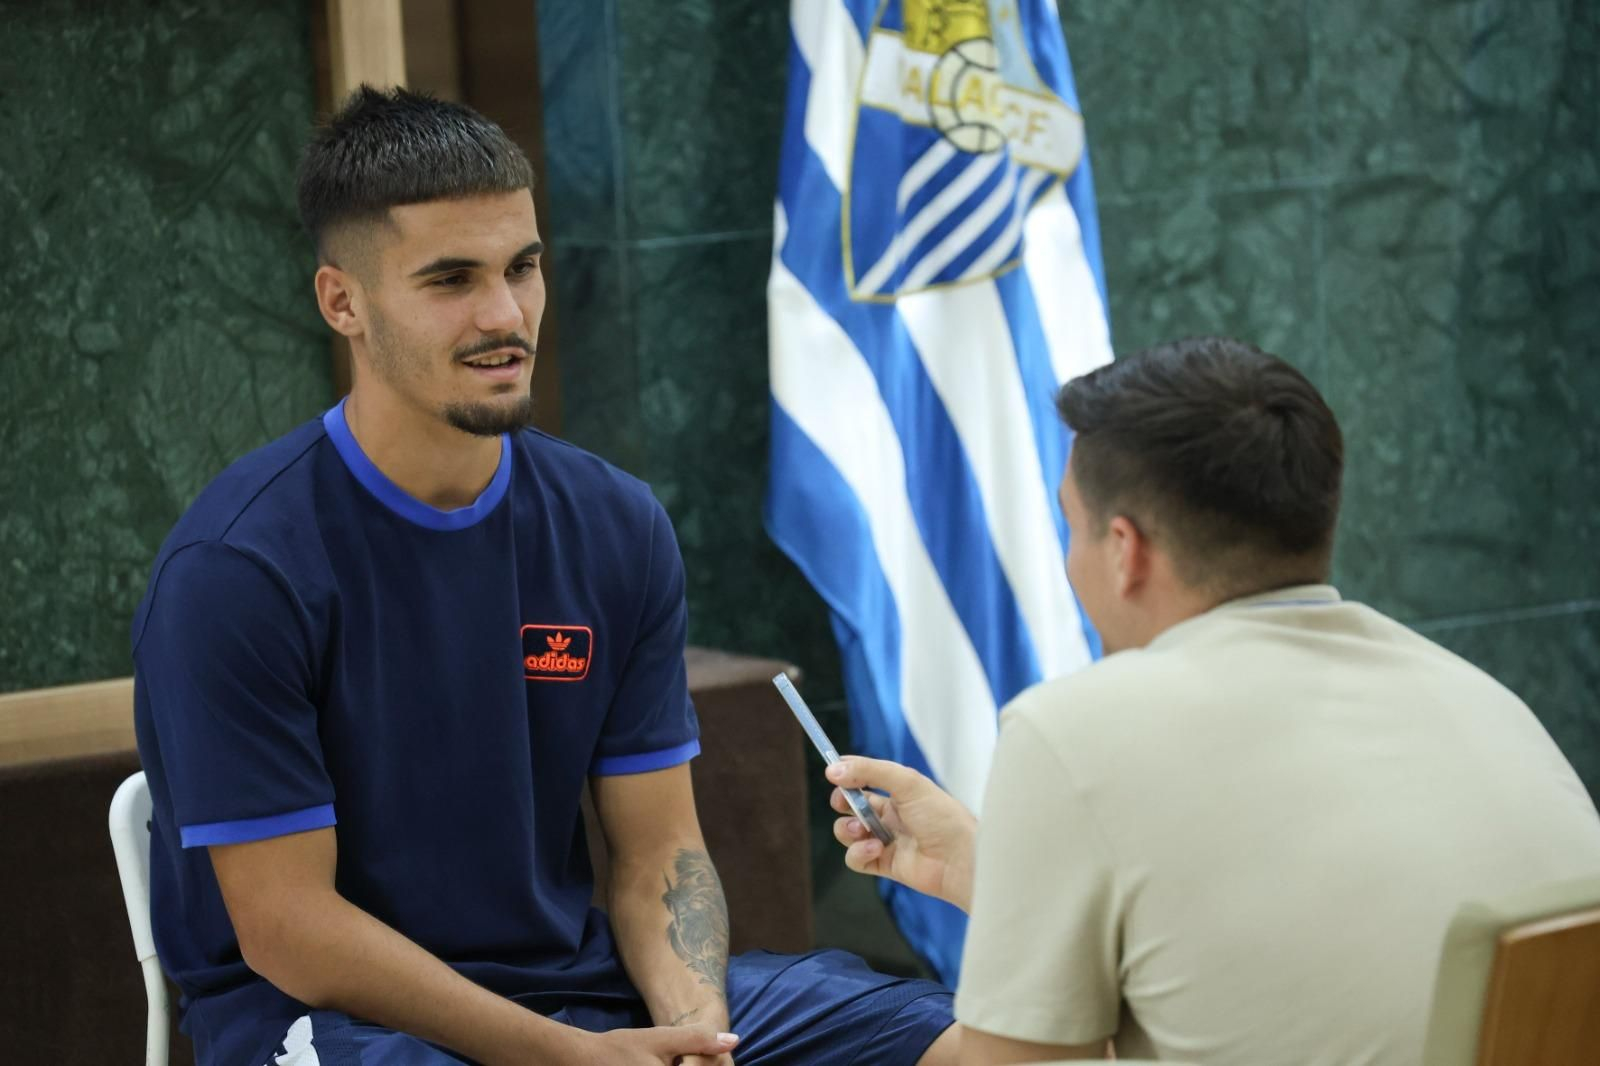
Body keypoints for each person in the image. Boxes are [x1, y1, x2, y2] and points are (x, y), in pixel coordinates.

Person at [132, 86, 956, 1066]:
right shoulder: (237, 568)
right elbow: (289, 931)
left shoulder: (614, 523)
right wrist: (565, 1059)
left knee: (978, 1044)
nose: (504, 312)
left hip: (587, 985)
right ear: (340, 301)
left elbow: (660, 853)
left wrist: (696, 1034)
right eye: (450, 280)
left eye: (521, 267)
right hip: (336, 1023)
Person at [827, 337, 1600, 1065]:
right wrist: (995, 876)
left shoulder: (1071, 731)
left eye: (1072, 528)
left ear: (1125, 551)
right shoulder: (1483, 701)